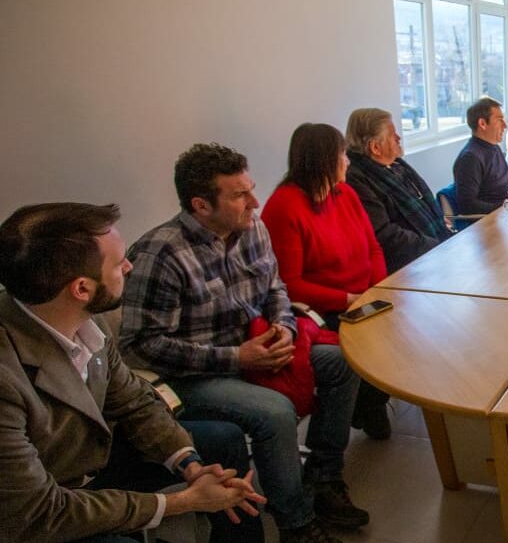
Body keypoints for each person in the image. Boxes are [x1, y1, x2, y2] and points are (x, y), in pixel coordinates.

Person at [121, 143, 367, 543]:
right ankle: (296, 524)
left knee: (344, 361)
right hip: (196, 374)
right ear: (201, 205)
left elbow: (275, 289)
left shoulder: (252, 227)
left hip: (257, 348)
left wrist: (284, 328)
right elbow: (140, 346)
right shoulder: (160, 254)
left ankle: (323, 477)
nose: (255, 201)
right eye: (239, 195)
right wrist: (238, 358)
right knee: (274, 412)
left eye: (251, 189)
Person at [0, 202, 267, 542]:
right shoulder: (6, 378)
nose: (129, 267)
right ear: (81, 288)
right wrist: (181, 502)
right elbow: (39, 513)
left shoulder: (82, 319)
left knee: (223, 440)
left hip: (90, 460)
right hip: (47, 507)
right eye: (119, 262)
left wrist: (192, 467)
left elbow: (134, 401)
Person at [261, 123, 390, 439]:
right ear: (322, 160)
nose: (347, 161)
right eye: (342, 154)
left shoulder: (345, 193)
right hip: (324, 308)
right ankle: (363, 409)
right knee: (372, 342)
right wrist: (350, 299)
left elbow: (373, 247)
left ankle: (370, 403)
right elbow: (289, 283)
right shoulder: (284, 206)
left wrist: (378, 288)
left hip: (363, 294)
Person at [345, 107, 451, 273]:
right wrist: (434, 246)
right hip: (408, 266)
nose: (398, 138)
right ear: (375, 148)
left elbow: (423, 200)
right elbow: (386, 235)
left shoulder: (397, 164)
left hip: (435, 249)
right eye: (392, 135)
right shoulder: (357, 180)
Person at [454, 96, 508, 215]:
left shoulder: (494, 148)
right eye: (499, 120)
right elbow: (467, 205)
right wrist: (505, 206)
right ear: (482, 123)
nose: (505, 125)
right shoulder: (470, 158)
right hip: (490, 223)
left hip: (507, 213)